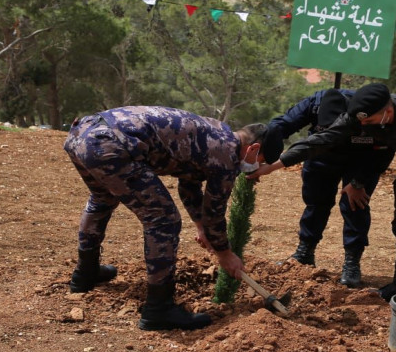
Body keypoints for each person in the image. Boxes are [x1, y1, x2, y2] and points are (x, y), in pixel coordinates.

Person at [250, 83, 396, 301]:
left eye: (370, 121)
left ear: (388, 112)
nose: (364, 126)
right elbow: (321, 140)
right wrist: (274, 165)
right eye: (361, 121)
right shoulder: (361, 116)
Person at [63, 106, 267, 331]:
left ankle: (85, 273)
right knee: (163, 219)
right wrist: (225, 254)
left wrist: (200, 226)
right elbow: (215, 213)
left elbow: (189, 183)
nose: (255, 167)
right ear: (253, 148)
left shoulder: (216, 132)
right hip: (112, 144)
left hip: (82, 134)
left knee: (102, 199)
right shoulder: (227, 154)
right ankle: (159, 309)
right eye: (260, 160)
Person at [261, 88, 394, 288]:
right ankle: (305, 253)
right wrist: (264, 148)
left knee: (354, 206)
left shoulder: (371, 110)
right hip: (320, 155)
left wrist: (359, 182)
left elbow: (384, 153)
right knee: (316, 203)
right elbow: (281, 125)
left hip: (363, 160)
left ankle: (352, 262)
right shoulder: (315, 103)